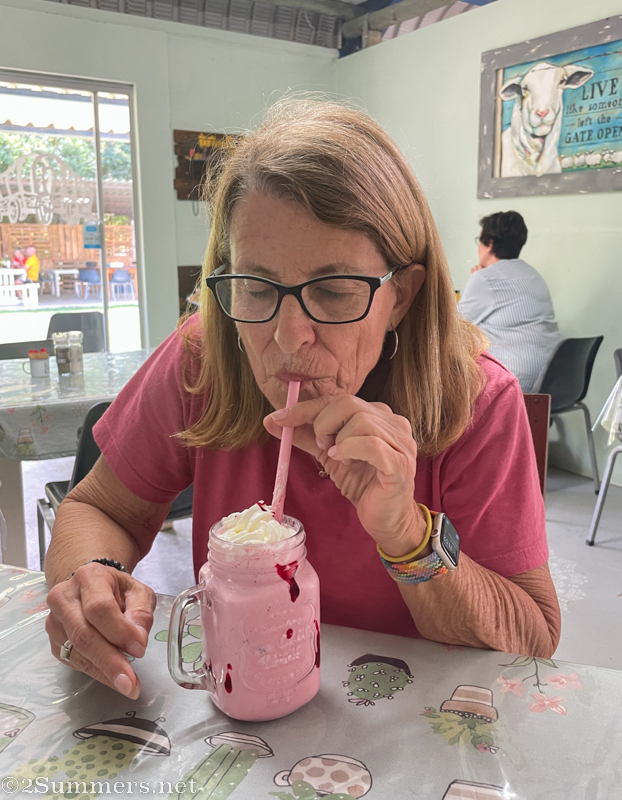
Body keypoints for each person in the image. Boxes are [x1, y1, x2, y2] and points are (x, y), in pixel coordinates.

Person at [44, 101, 561, 701]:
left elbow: (533, 636)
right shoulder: (204, 356)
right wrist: (97, 580)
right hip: (244, 714)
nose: (288, 337)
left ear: (403, 295)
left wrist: (406, 532)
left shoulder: (478, 400)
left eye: (336, 292)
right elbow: (100, 508)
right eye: (256, 287)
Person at [458, 211, 562, 392]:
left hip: (515, 380)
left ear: (489, 244)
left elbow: (453, 327)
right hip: (551, 378)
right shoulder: (533, 275)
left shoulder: (485, 279)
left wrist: (478, 278)